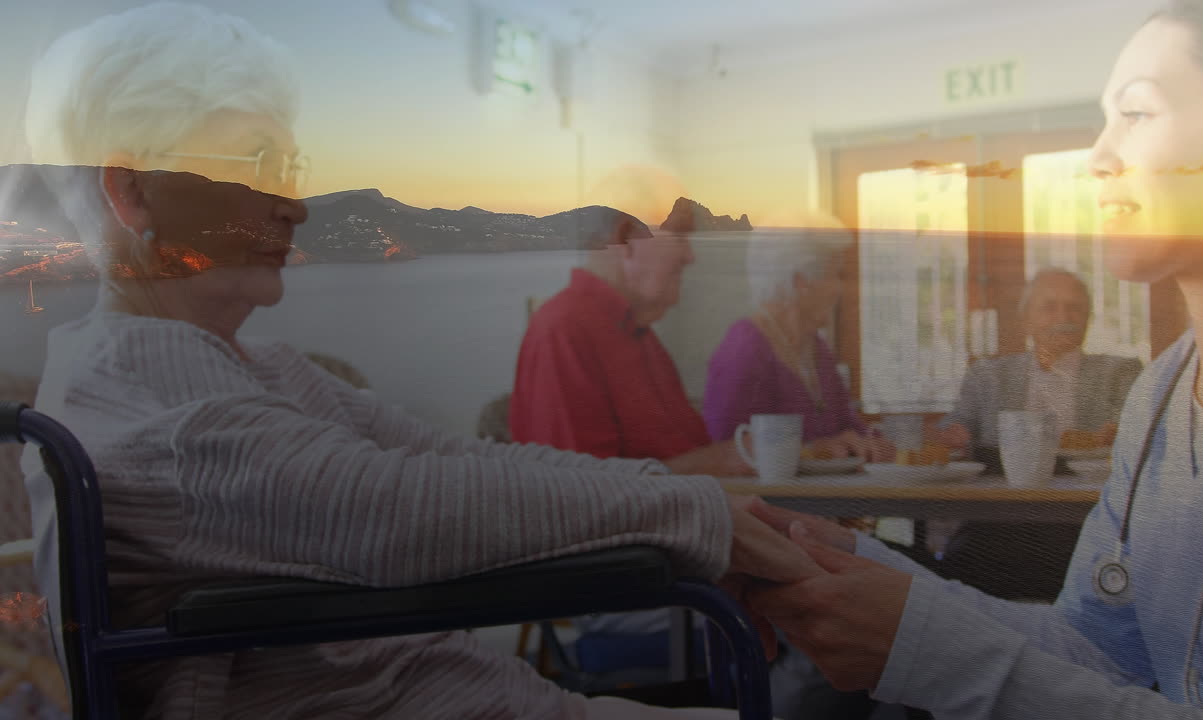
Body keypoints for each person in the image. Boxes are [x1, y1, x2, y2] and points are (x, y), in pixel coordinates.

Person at [16, 5, 817, 718]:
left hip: (465, 686)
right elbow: (392, 508)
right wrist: (701, 518)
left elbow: (456, 462)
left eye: (290, 170)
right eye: (255, 162)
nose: (296, 204)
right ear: (136, 192)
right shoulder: (149, 410)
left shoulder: (262, 371)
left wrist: (702, 512)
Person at [745, 1, 1203, 716]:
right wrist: (850, 562)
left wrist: (926, 651)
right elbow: (1096, 648)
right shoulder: (1158, 397)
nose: (1098, 156)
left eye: (1137, 114)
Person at [933, 269, 1144, 600]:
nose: (1064, 317)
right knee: (961, 573)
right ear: (1025, 320)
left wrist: (1118, 432)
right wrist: (947, 436)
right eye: (1049, 307)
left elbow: (1133, 424)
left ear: (1087, 319)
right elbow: (957, 425)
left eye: (1074, 308)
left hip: (1085, 523)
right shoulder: (988, 374)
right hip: (998, 523)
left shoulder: (1120, 373)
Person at [509, 202, 750, 476]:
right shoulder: (564, 332)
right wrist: (712, 462)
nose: (690, 256)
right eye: (679, 239)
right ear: (625, 243)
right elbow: (581, 493)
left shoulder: (636, 331)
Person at [703, 228, 894, 462]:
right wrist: (813, 451)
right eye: (835, 275)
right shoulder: (746, 349)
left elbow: (851, 427)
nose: (840, 289)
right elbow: (728, 454)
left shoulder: (817, 349)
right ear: (801, 282)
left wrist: (885, 440)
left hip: (824, 495)